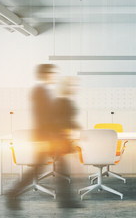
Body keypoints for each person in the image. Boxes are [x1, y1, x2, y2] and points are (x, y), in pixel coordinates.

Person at [5, 64, 58, 210]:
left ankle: (13, 193)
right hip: (43, 137)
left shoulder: (43, 91)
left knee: (38, 168)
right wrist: (47, 137)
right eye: (52, 73)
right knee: (36, 168)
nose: (54, 76)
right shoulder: (39, 91)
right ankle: (12, 193)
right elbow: (43, 117)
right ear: (45, 74)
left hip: (45, 136)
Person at [51, 76, 82, 208]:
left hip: (62, 140)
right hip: (59, 141)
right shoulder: (61, 102)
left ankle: (66, 200)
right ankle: (65, 201)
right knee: (63, 171)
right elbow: (61, 121)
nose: (74, 88)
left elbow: (69, 121)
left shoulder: (63, 101)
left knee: (64, 171)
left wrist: (80, 131)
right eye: (71, 85)